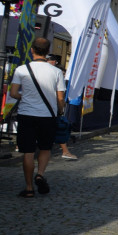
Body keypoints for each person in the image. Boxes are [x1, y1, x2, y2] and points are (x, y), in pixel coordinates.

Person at [8, 37, 65, 197]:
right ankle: (40, 174)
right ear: (48, 52)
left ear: (32, 50)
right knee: (45, 148)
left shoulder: (21, 69)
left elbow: (13, 93)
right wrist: (60, 111)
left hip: (26, 114)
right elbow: (60, 98)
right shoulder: (57, 72)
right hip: (47, 116)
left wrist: (25, 97)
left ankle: (29, 188)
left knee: (28, 151)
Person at [46, 53, 76, 160]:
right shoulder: (56, 73)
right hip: (49, 107)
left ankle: (65, 151)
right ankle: (65, 151)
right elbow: (60, 96)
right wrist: (60, 108)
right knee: (58, 129)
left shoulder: (52, 72)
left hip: (44, 107)